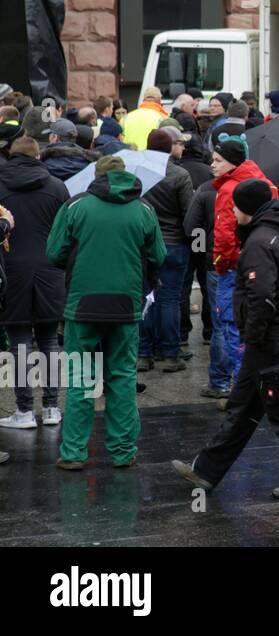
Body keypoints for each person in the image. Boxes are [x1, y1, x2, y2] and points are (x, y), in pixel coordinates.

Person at [172, 178, 279, 499]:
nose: (232, 211)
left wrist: (251, 337)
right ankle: (206, 471)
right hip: (274, 336)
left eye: (235, 206)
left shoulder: (260, 240)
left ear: (247, 208)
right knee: (242, 409)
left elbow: (262, 296)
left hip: (270, 340)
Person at [48, 155, 166, 470]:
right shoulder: (143, 209)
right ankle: (123, 451)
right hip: (126, 305)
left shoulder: (75, 206)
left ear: (96, 176)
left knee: (80, 381)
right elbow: (159, 254)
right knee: (122, 377)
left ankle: (73, 453)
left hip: (82, 305)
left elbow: (54, 252)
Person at [0, 137, 67, 428]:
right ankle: (52, 408)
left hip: (11, 271)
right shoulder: (56, 186)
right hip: (50, 270)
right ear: (38, 156)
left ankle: (24, 410)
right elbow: (66, 233)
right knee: (50, 339)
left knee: (19, 343)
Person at [208, 137, 277, 400]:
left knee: (231, 325)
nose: (212, 165)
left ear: (233, 163)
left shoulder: (228, 190)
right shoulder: (264, 182)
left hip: (235, 266)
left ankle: (240, 387)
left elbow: (224, 235)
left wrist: (220, 264)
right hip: (261, 262)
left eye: (218, 160)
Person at [138, 129, 195, 374]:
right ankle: (170, 353)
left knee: (146, 299)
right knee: (170, 298)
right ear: (169, 148)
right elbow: (189, 214)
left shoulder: (138, 173)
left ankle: (143, 354)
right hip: (173, 244)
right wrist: (195, 242)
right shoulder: (180, 175)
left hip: (144, 244)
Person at [121, 86, 168, 152]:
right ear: (159, 100)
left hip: (129, 156)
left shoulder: (126, 117)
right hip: (152, 157)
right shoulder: (163, 118)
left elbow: (119, 138)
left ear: (143, 100)